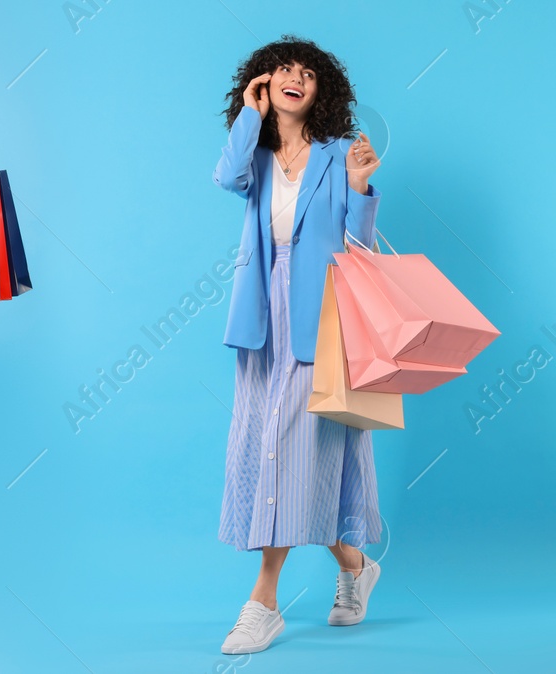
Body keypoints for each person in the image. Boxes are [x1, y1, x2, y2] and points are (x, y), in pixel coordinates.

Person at [212, 36, 384, 655]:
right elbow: (224, 177)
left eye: (308, 73)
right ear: (263, 82)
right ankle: (356, 565)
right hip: (261, 318)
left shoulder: (339, 154)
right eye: (284, 70)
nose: (296, 78)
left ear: (321, 91)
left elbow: (358, 248)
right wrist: (249, 117)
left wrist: (362, 190)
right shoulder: (253, 154)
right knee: (274, 451)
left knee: (293, 443)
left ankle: (263, 602)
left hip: (321, 318)